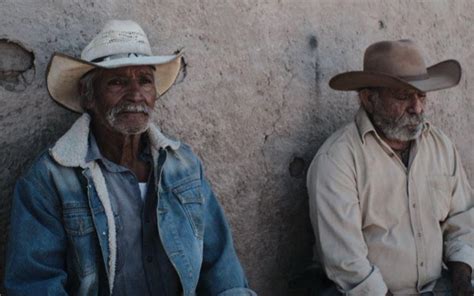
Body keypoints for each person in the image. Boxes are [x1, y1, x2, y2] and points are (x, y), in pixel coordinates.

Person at [4, 20, 256, 296]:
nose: (135, 94)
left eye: (145, 81)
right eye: (117, 82)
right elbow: (35, 286)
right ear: (88, 96)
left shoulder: (183, 167)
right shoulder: (50, 180)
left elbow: (223, 273)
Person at [307, 39, 474, 295]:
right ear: (369, 99)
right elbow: (347, 264)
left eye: (421, 95)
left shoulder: (440, 145)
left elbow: (463, 221)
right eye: (402, 96)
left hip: (437, 287)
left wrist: (462, 284)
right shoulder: (337, 160)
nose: (417, 108)